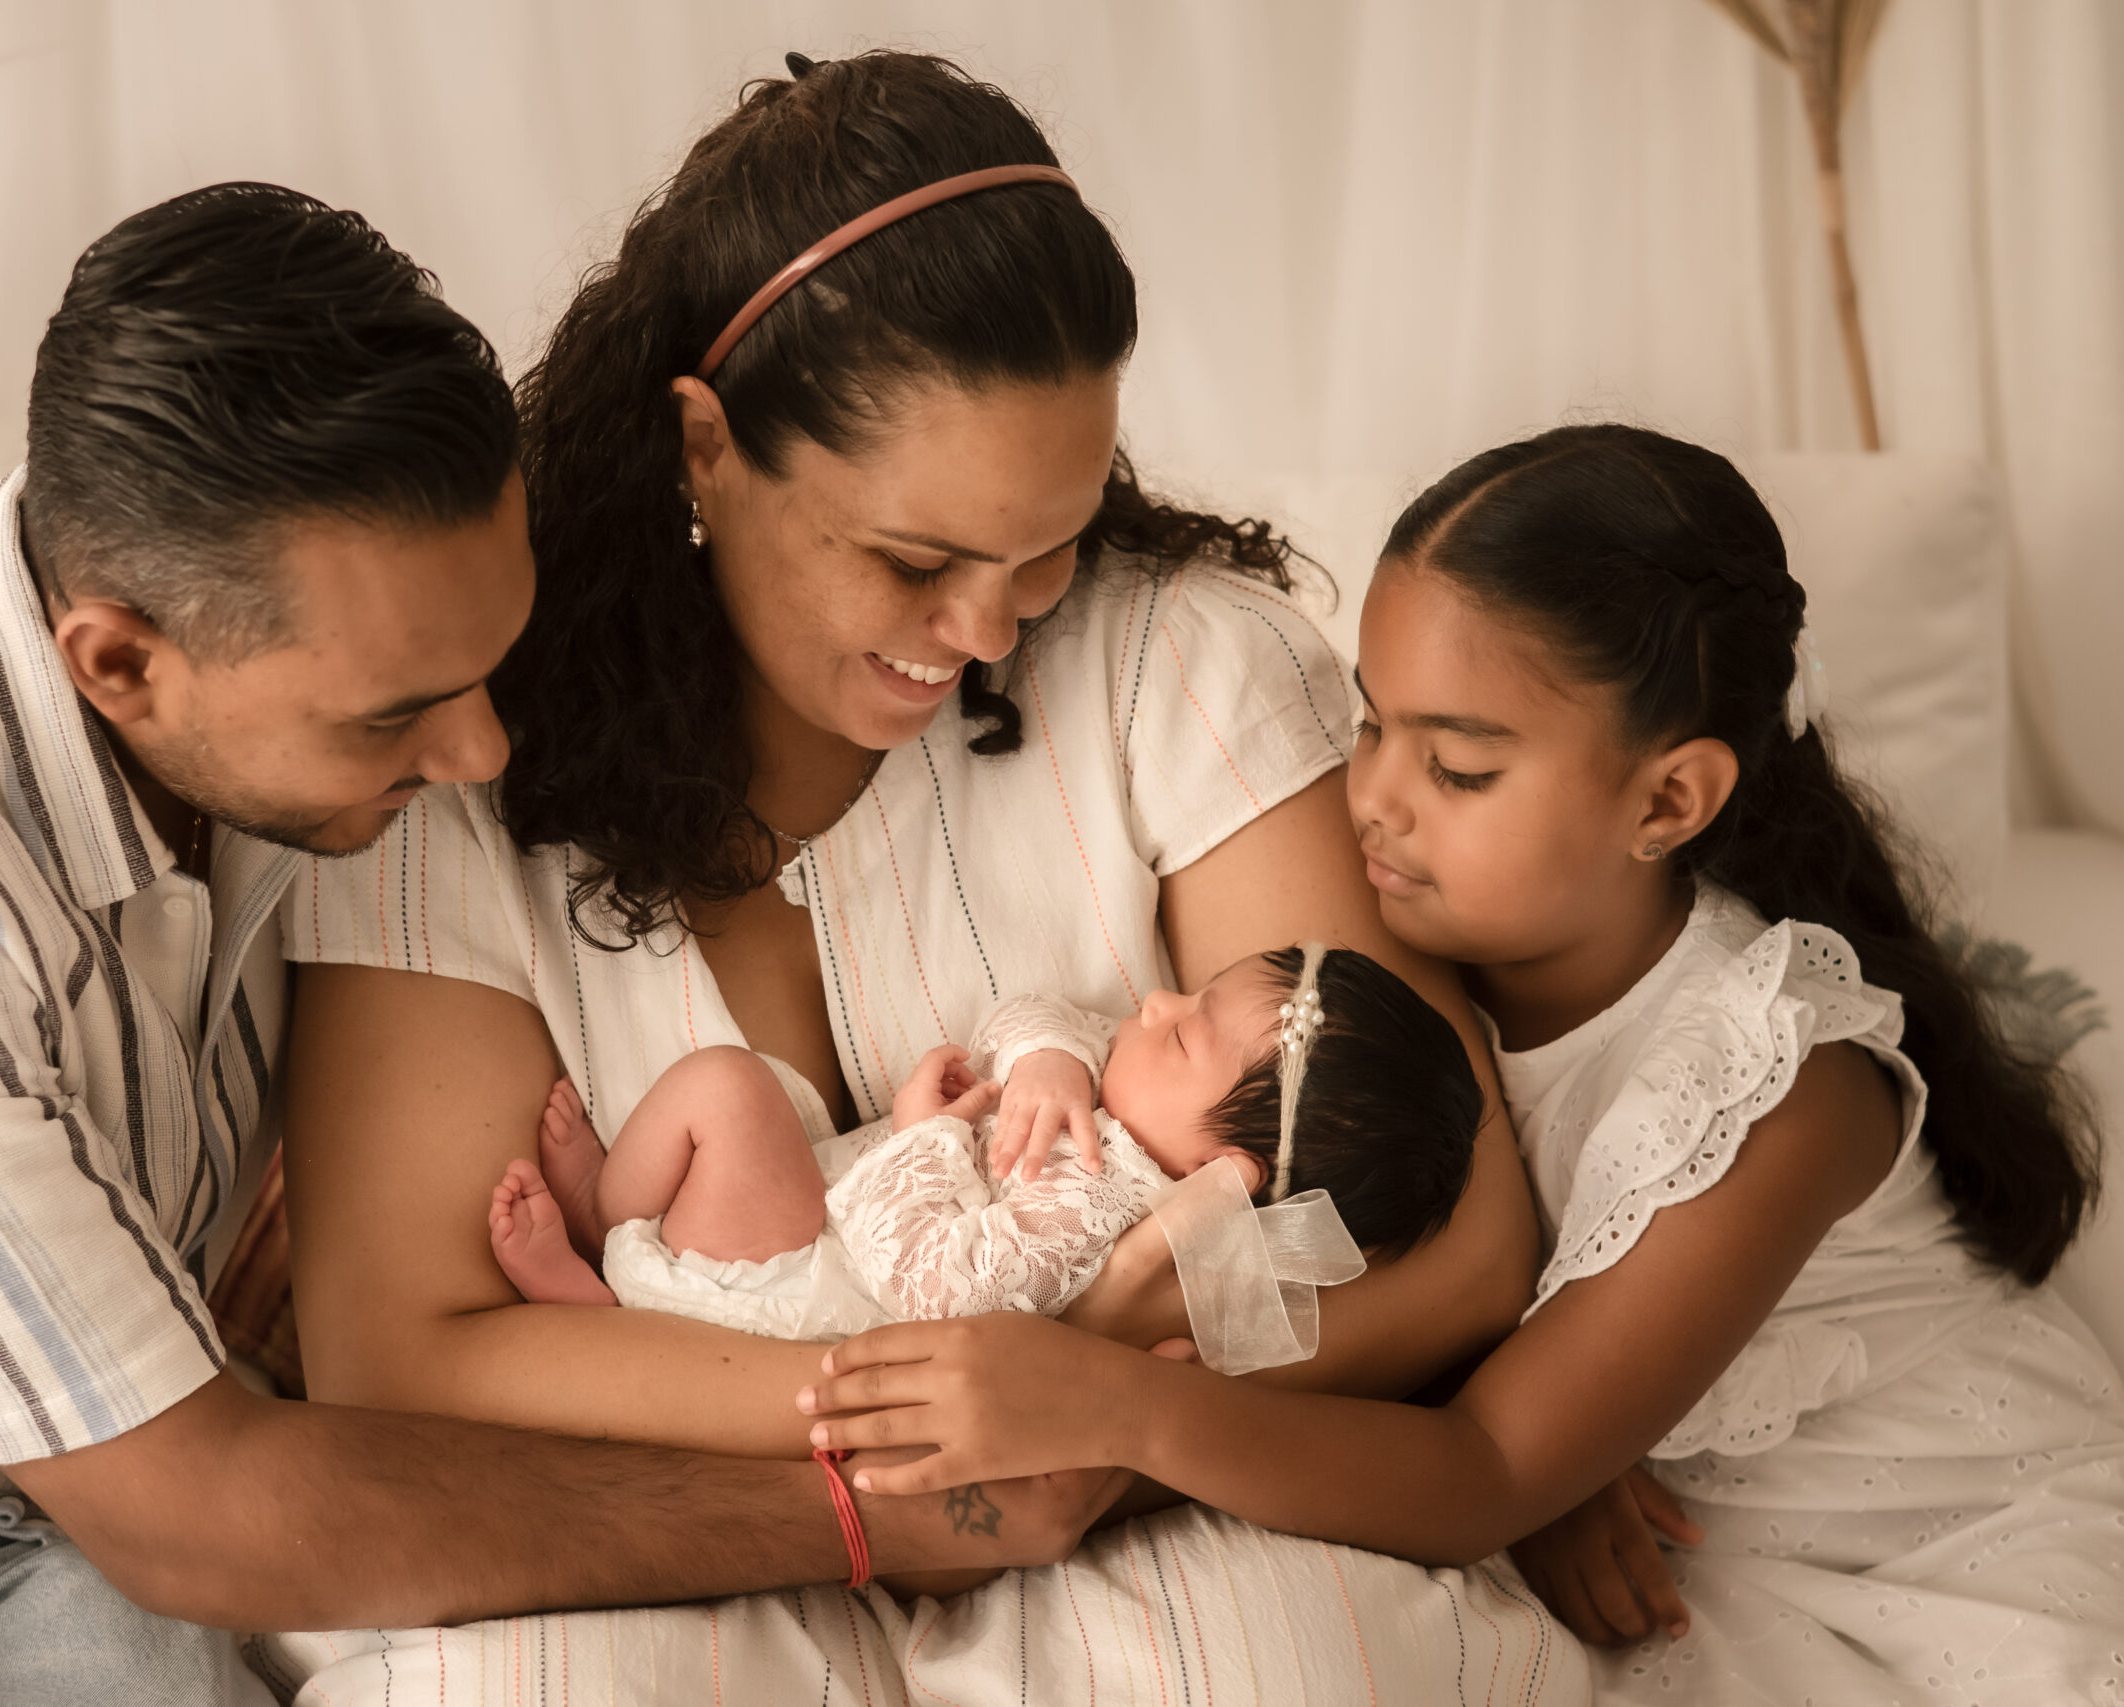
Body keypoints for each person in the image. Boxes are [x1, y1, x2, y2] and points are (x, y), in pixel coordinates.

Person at [0, 183, 1120, 1706]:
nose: (484, 754)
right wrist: (870, 1516)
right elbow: (200, 1508)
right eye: (396, 713)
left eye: (487, 667)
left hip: (11, 1518)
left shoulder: (251, 670)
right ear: (118, 663)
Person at [271, 50, 1570, 1704]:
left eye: (1047, 546)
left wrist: (1098, 1407)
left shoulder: (1182, 665)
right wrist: (939, 1415)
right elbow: (406, 1346)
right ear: (703, 448)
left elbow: (1452, 1232)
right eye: (912, 559)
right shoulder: (452, 760)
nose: (984, 631)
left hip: (1136, 1493)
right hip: (671, 1514)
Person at [803, 425, 2124, 1705]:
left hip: (1928, 1554)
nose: (1372, 795)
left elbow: (1487, 1459)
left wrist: (1128, 1407)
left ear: (1667, 801)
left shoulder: (1778, 1085)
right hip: (1652, 1516)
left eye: (1459, 765)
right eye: (1371, 724)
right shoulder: (1412, 935)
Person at [490, 947, 1480, 1350]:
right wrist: (1050, 1057)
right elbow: (1036, 1011)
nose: (1154, 1001)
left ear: (1228, 1175)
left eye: (1183, 1032)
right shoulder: (1127, 1097)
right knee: (749, 1093)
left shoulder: (1104, 1206)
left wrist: (926, 1137)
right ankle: (619, 1234)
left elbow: (937, 1291)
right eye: (1191, 990)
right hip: (827, 1219)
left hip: (816, 1296)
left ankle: (607, 1262)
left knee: (730, 1088)